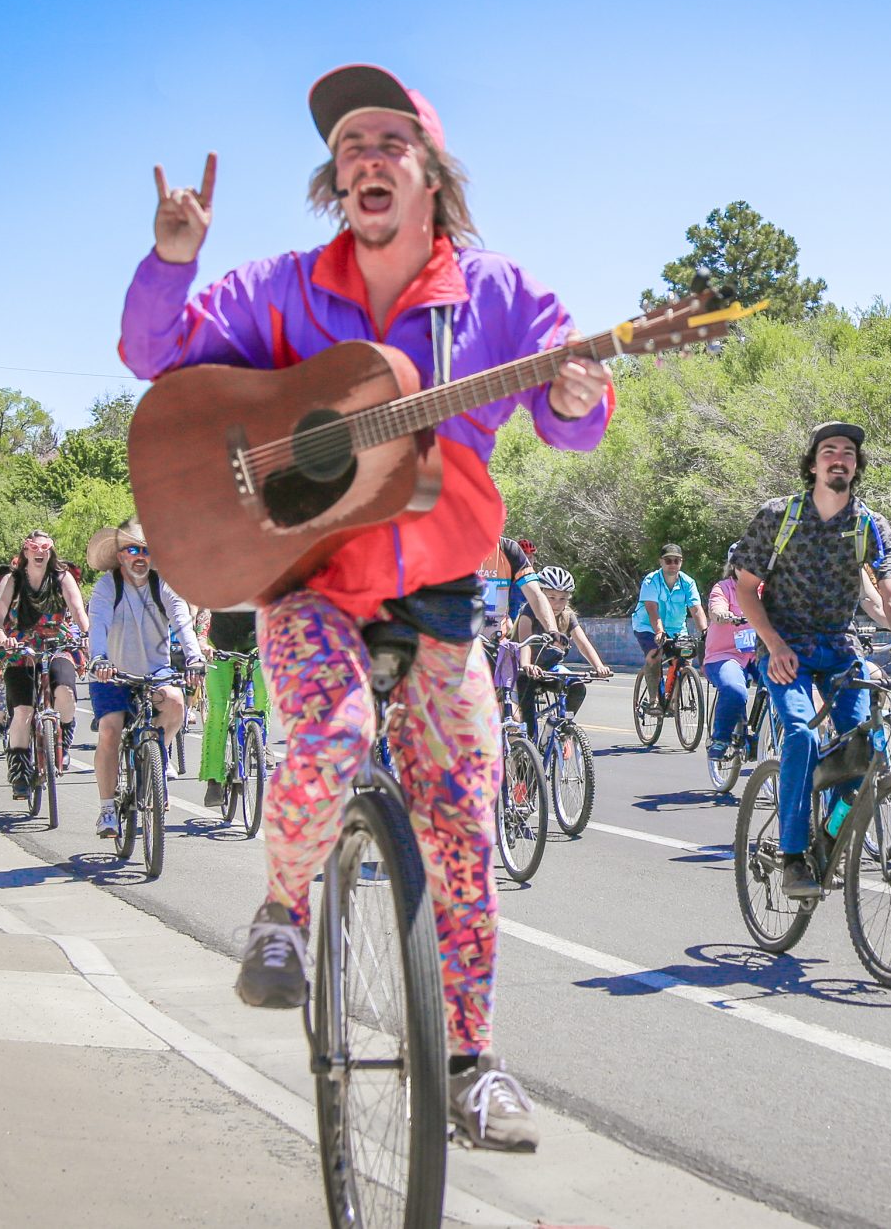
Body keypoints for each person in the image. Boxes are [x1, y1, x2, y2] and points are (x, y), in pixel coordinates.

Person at [118, 63, 614, 1151]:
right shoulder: (283, 288)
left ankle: (474, 1063)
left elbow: (574, 413)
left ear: (430, 170)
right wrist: (171, 258)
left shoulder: (499, 296)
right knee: (330, 735)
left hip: (443, 597)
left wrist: (580, 395)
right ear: (333, 182)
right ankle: (283, 911)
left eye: (390, 140)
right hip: (310, 587)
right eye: (349, 148)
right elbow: (156, 358)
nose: (367, 158)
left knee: (468, 828)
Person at [730, 421, 891, 899]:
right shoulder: (779, 515)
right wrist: (774, 645)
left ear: (856, 466)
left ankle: (832, 836)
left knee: (864, 750)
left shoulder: (870, 524)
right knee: (799, 732)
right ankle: (794, 854)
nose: (838, 458)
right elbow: (744, 588)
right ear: (813, 462)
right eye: (828, 451)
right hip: (787, 648)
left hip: (840, 649)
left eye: (847, 452)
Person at [87, 522, 202, 839]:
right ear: (120, 555)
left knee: (177, 703)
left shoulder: (163, 585)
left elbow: (182, 621)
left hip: (155, 674)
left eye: (147, 550)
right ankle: (108, 809)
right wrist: (99, 658)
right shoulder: (107, 587)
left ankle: (158, 758)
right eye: (132, 549)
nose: (140, 556)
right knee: (110, 731)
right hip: (111, 674)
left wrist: (194, 657)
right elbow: (97, 625)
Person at [0, 529, 89, 800]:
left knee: (65, 693)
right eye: (34, 548)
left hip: (57, 643)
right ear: (26, 551)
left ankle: (62, 744)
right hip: (20, 648)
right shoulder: (12, 580)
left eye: (45, 548)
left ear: (50, 551)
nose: (40, 552)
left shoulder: (62, 577)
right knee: (22, 711)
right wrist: (2, 638)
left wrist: (87, 635)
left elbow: (78, 611)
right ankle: (19, 771)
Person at [513, 565, 610, 739]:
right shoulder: (528, 611)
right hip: (524, 670)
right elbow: (524, 641)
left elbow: (583, 643)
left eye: (562, 599)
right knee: (527, 723)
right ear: (540, 595)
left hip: (550, 668)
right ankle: (527, 755)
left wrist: (599, 666)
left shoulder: (568, 616)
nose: (557, 604)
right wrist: (526, 665)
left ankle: (559, 726)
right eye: (551, 597)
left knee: (577, 687)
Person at [198, 610, 272, 808]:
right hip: (219, 645)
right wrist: (202, 641)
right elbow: (205, 610)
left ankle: (258, 744)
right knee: (219, 709)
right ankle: (214, 779)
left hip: (255, 645)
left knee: (263, 691)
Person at [631, 544, 704, 711]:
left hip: (677, 628)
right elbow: (651, 608)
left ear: (681, 562)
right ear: (661, 562)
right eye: (668, 560)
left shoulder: (688, 583)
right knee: (654, 656)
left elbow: (696, 609)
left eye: (676, 561)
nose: (672, 564)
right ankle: (654, 700)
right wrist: (659, 631)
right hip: (647, 626)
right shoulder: (651, 580)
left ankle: (673, 701)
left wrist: (706, 632)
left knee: (685, 659)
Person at [704, 550, 761, 762]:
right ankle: (721, 739)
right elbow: (716, 609)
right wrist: (723, 614)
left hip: (758, 654)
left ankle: (766, 731)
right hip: (724, 655)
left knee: (784, 684)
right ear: (733, 566)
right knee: (735, 691)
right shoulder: (723, 588)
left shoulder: (765, 589)